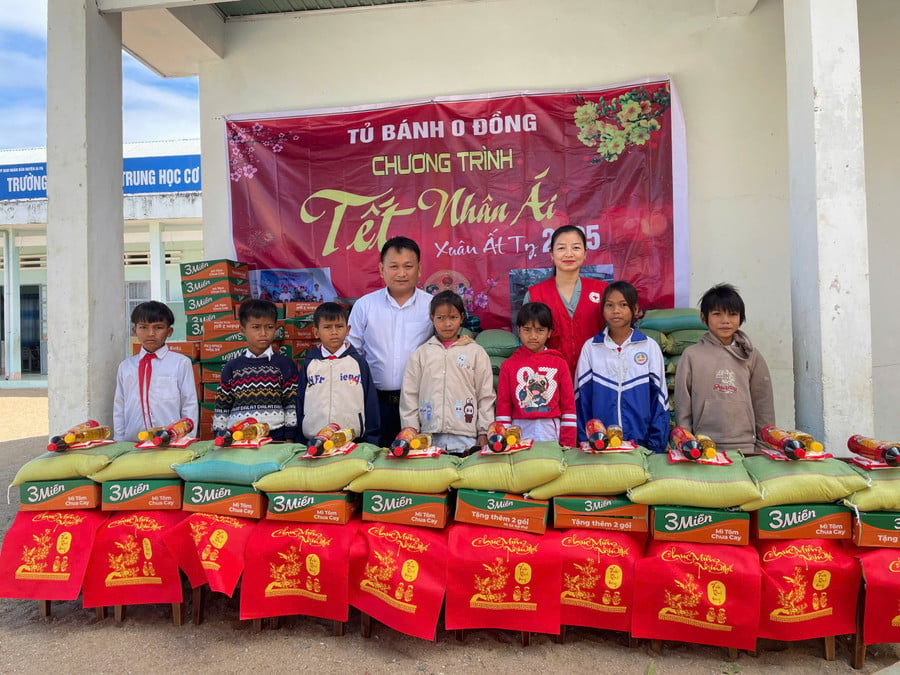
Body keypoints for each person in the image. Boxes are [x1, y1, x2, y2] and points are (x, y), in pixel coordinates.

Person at [348, 236, 433, 446]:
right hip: (374, 403)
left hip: (420, 403)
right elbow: (351, 353)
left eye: (408, 266)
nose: (402, 273)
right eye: (394, 266)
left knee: (416, 462)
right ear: (381, 269)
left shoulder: (431, 306)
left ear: (419, 269)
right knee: (376, 462)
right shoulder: (365, 306)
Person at [674, 283, 775, 452]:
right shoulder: (691, 355)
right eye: (717, 314)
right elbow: (683, 404)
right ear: (703, 318)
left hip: (747, 446)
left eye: (732, 314)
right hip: (703, 446)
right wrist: (687, 444)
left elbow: (763, 403)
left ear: (741, 317)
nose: (725, 321)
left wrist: (763, 445)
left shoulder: (751, 355)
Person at [575, 281, 669, 452]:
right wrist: (586, 441)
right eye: (609, 305)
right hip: (599, 445)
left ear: (635, 309)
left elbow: (660, 401)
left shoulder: (649, 347)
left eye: (623, 305)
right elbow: (582, 401)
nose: (616, 310)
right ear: (602, 309)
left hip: (641, 445)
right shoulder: (591, 348)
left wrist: (655, 447)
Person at [399, 290, 494, 455]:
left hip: (466, 438)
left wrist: (484, 431)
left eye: (453, 317)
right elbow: (409, 396)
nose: (447, 324)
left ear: (462, 317)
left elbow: (485, 395)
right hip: (429, 437)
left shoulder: (476, 353)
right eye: (440, 318)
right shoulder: (421, 354)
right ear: (431, 318)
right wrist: (411, 430)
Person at [526, 224, 608, 379]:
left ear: (585, 253)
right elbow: (527, 340)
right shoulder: (535, 294)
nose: (569, 254)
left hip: (596, 376)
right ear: (551, 254)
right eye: (562, 248)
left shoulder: (602, 291)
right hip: (549, 378)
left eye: (576, 248)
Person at [213, 298, 299, 441]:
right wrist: (220, 437)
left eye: (269, 327)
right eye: (256, 327)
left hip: (275, 436)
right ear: (242, 330)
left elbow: (291, 405)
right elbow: (222, 407)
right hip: (238, 437)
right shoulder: (232, 367)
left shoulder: (285, 365)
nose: (263, 333)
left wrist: (289, 438)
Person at [295, 302, 380, 446]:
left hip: (351, 441)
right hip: (314, 440)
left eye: (339, 326)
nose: (334, 332)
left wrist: (371, 441)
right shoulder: (310, 364)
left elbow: (370, 402)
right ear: (316, 332)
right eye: (327, 327)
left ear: (348, 330)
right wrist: (300, 439)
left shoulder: (357, 363)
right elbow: (300, 402)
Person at [113, 301, 198, 442]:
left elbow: (189, 404)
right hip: (132, 442)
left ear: (169, 331)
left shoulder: (180, 363)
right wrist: (120, 441)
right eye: (143, 327)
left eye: (158, 327)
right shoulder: (126, 367)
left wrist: (187, 439)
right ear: (135, 331)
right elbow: (119, 408)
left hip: (171, 441)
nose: (151, 333)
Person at [495, 302, 577, 447]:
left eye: (540, 330)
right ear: (518, 330)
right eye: (527, 329)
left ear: (549, 332)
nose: (533, 336)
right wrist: (504, 441)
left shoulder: (559, 363)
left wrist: (568, 444)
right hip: (518, 431)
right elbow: (503, 406)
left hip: (551, 431)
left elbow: (568, 406)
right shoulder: (508, 365)